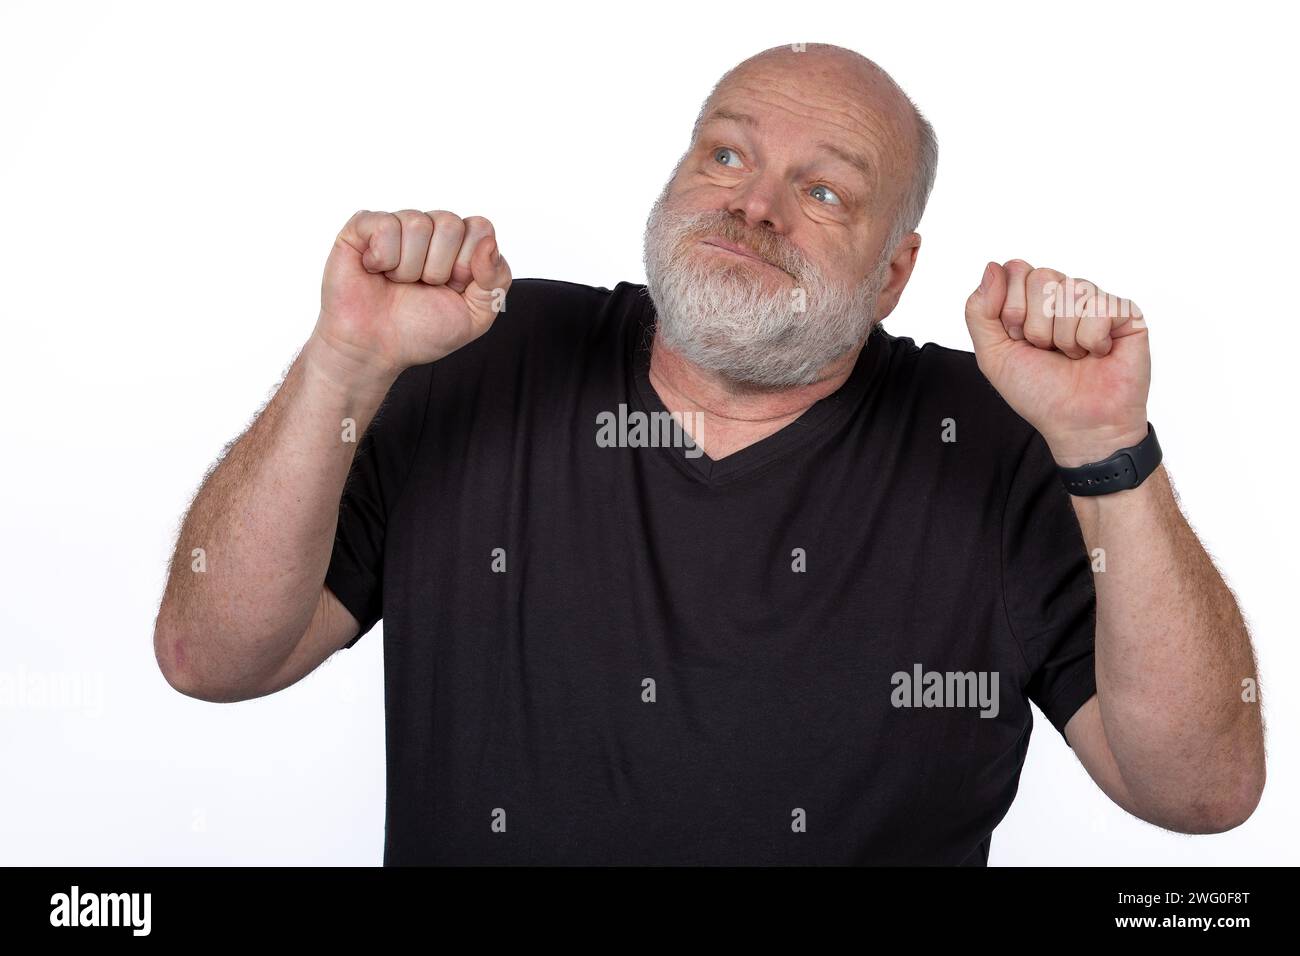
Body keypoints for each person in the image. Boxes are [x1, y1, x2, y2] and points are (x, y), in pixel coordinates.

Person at [154, 43, 1265, 865]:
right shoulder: (488, 353)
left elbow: (1202, 791)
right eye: (725, 151)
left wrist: (1108, 449)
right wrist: (344, 365)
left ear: (891, 273)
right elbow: (213, 655)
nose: (752, 205)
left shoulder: (996, 444)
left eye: (823, 189)